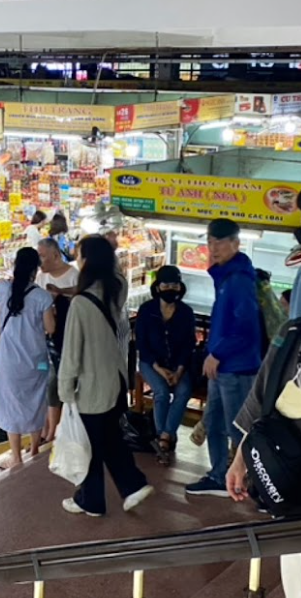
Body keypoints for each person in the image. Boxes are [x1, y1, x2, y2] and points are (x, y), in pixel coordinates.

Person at [58, 236, 154, 517]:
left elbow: (71, 353)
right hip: (115, 379)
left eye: (79, 255)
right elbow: (118, 275)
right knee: (108, 437)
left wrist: (65, 391)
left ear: (87, 260)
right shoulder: (116, 290)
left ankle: (92, 500)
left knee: (88, 444)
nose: (77, 259)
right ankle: (132, 485)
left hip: (91, 386)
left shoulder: (80, 304)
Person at [225, 320, 301, 598]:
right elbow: (263, 403)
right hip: (294, 498)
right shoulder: (291, 334)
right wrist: (241, 460)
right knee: (297, 596)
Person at [187, 218, 262, 497]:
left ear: (236, 243)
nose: (213, 248)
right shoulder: (225, 277)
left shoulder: (239, 280)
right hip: (221, 367)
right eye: (209, 241)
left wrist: (217, 353)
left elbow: (246, 329)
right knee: (215, 423)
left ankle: (251, 482)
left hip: (237, 368)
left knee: (238, 429)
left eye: (220, 242)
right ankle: (219, 476)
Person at [0, 247, 56, 469]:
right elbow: (50, 328)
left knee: (11, 403)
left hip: (8, 361)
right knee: (36, 401)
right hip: (36, 361)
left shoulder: (0, 289)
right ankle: (35, 448)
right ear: (35, 269)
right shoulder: (42, 297)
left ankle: (16, 455)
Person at [136, 265, 197, 466]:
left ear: (180, 287)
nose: (170, 288)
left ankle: (164, 435)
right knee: (161, 392)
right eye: (166, 284)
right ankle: (164, 438)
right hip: (151, 364)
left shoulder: (186, 313)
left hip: (178, 365)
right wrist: (159, 369)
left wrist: (179, 370)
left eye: (174, 284)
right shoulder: (147, 311)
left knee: (184, 391)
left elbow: (189, 344)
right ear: (158, 287)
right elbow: (142, 344)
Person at [36, 238, 79, 442]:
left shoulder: (73, 276)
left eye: (42, 256)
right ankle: (44, 429)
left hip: (64, 340)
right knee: (44, 381)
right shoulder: (40, 277)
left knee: (56, 381)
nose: (40, 261)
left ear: (55, 255)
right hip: (42, 341)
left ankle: (54, 430)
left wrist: (58, 297)